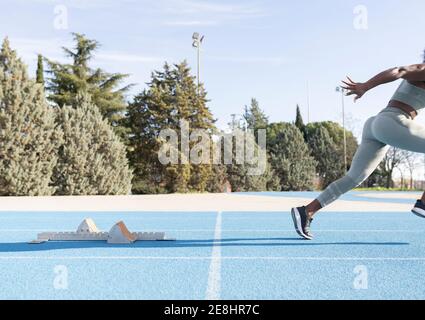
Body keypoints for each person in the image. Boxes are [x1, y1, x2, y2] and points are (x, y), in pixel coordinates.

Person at [291, 63, 425, 240]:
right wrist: (365, 86)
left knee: (354, 177)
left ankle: (307, 211)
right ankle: (423, 203)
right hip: (392, 121)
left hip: (378, 124)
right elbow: (399, 71)